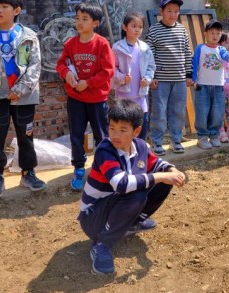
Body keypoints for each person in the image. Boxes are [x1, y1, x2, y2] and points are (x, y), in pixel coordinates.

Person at [78, 99, 186, 275]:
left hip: (114, 206)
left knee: (164, 182)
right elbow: (121, 184)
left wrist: (171, 170)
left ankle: (133, 223)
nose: (115, 135)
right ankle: (101, 244)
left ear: (136, 131)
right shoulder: (105, 150)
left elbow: (157, 163)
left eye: (122, 130)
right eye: (112, 128)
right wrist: (161, 175)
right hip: (92, 218)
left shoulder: (140, 146)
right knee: (138, 193)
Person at [0, 0, 47, 198]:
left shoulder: (29, 36)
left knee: (26, 136)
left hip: (24, 97)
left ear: (17, 10)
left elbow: (35, 66)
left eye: (4, 7)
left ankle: (28, 172)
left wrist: (21, 90)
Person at [56, 3, 115, 192]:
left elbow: (108, 71)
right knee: (76, 135)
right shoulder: (70, 44)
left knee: (101, 135)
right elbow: (61, 64)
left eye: (85, 19)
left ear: (95, 23)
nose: (79, 22)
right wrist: (67, 74)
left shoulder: (102, 44)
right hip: (75, 98)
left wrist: (87, 83)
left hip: (97, 99)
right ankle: (79, 169)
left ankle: (104, 167)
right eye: (77, 18)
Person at [146, 0, 193, 155]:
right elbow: (149, 56)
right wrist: (151, 77)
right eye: (169, 11)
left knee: (178, 111)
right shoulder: (154, 30)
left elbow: (187, 52)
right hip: (161, 81)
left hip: (179, 79)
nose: (172, 14)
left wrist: (189, 74)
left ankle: (176, 140)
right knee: (159, 112)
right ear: (161, 11)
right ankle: (156, 142)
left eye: (176, 11)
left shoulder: (182, 30)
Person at [111, 11, 156, 140]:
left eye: (140, 27)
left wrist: (147, 79)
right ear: (125, 27)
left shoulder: (145, 48)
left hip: (141, 95)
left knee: (141, 125)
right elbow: (112, 68)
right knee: (124, 125)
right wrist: (121, 78)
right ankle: (125, 152)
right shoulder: (117, 47)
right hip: (124, 95)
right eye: (133, 26)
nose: (137, 30)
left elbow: (151, 67)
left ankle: (139, 151)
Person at [190, 20, 229, 149]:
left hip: (218, 87)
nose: (214, 36)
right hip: (202, 86)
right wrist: (193, 79)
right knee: (202, 112)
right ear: (205, 34)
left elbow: (226, 56)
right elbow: (194, 63)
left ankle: (214, 135)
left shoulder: (221, 49)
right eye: (212, 33)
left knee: (217, 112)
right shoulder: (201, 48)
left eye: (218, 33)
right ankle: (202, 137)